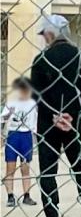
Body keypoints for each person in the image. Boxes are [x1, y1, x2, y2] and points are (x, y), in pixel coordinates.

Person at [29, 14, 81, 217]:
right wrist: (70, 113)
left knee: (48, 169)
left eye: (44, 34)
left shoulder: (41, 60)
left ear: (50, 34)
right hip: (74, 121)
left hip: (47, 124)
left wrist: (54, 114)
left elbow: (36, 93)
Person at [5, 78, 36, 208]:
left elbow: (35, 121)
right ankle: (10, 196)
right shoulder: (12, 103)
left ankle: (26, 195)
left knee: (25, 168)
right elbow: (3, 118)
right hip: (14, 134)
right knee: (10, 167)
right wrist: (8, 115)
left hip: (26, 135)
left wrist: (35, 136)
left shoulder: (32, 104)